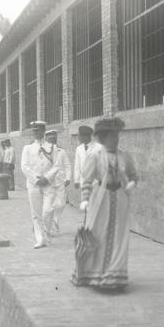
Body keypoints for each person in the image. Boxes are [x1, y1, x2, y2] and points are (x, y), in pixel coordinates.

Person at [71, 117, 137, 291]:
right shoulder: (95, 156)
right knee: (99, 235)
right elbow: (87, 179)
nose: (116, 139)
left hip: (120, 200)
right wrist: (84, 199)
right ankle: (95, 275)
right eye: (112, 136)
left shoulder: (124, 156)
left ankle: (114, 277)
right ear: (103, 137)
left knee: (118, 237)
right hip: (101, 200)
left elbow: (133, 175)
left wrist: (130, 184)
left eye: (117, 136)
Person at [20, 120, 54, 249]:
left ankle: (46, 231)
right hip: (33, 184)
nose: (36, 133)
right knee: (36, 213)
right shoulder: (27, 148)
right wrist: (36, 179)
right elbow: (24, 166)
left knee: (48, 210)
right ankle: (40, 239)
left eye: (38, 130)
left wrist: (47, 178)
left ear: (44, 131)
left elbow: (56, 165)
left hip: (48, 184)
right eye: (34, 130)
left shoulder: (52, 147)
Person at [43, 129, 71, 236]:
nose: (53, 141)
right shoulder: (42, 151)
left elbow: (67, 165)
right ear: (46, 139)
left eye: (54, 138)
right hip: (47, 183)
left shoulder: (61, 151)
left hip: (60, 181)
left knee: (61, 204)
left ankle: (55, 219)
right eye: (50, 139)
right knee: (47, 207)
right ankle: (47, 228)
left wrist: (68, 178)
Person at [73, 125, 99, 191]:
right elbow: (77, 166)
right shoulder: (78, 149)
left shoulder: (97, 147)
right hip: (83, 182)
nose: (78, 138)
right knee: (84, 200)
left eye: (79, 136)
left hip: (95, 183)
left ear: (86, 136)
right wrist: (76, 180)